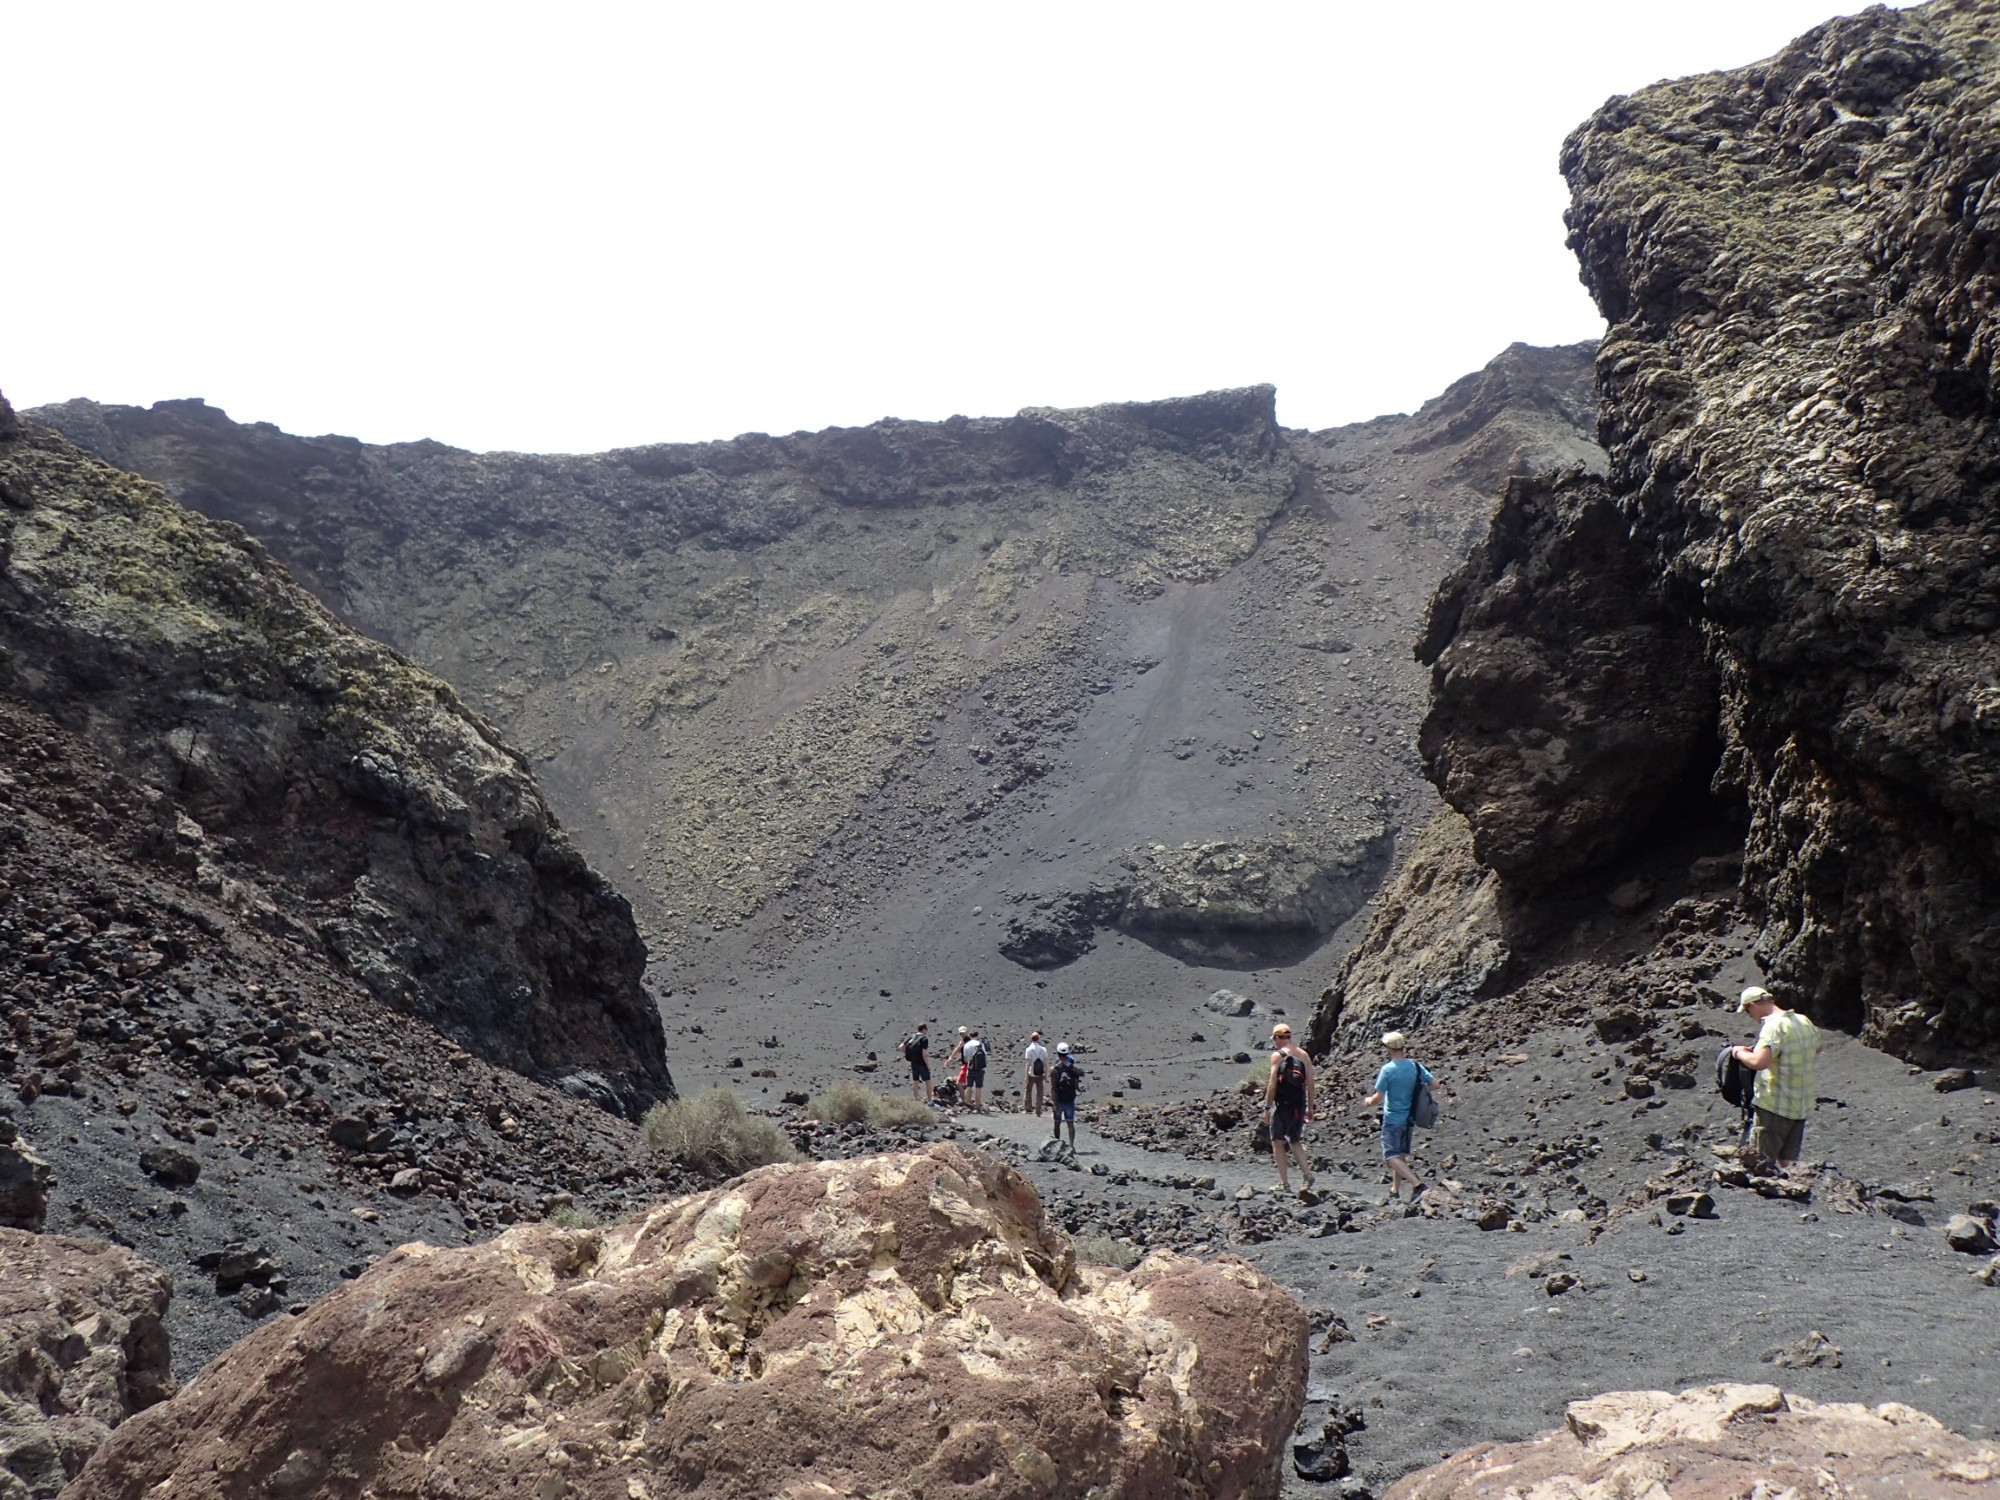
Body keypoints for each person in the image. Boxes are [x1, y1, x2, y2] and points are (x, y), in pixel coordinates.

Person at [1731, 986, 1820, 1166]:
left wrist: (1737, 1052)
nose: (1751, 1017)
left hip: (1774, 1105)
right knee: (1787, 1162)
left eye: (1748, 1011)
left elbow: (1759, 1062)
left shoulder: (1773, 1026)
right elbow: (1817, 1048)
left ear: (1753, 1006)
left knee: (1762, 1162)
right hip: (1800, 1104)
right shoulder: (1803, 1021)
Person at [1360, 1031, 1432, 1204]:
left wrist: (1369, 1102)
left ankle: (1418, 1185)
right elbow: (1434, 1084)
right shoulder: (1415, 1066)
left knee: (1391, 1156)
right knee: (1400, 1156)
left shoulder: (1388, 1069)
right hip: (1409, 1119)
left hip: (1393, 1119)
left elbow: (1379, 1097)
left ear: (1388, 1048)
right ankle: (1395, 1189)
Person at [1263, 1023, 1318, 1194]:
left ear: (1277, 1038)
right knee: (1294, 1139)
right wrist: (1310, 1107)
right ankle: (1307, 1174)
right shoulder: (1303, 1055)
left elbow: (1272, 1085)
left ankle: (1284, 1183)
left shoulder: (1277, 1056)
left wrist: (1267, 1108)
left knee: (1277, 1140)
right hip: (1298, 1103)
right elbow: (1310, 1083)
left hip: (1283, 1104)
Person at [1050, 1041, 1082, 1146]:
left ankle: (1057, 1144)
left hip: (1059, 1099)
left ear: (1058, 1054)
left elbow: (1053, 1087)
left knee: (1057, 1123)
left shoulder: (1054, 1069)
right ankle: (1071, 1145)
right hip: (1070, 1099)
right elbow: (1077, 1085)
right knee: (1070, 1123)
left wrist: (1054, 1103)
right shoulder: (1073, 1069)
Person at [902, 1022, 931, 1103]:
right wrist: (928, 1065)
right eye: (926, 1029)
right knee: (928, 1081)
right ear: (924, 1029)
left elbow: (901, 1047)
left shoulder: (912, 1036)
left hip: (913, 1062)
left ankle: (917, 1101)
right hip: (922, 1062)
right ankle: (930, 1102)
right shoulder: (924, 1038)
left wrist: (908, 1054)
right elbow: (924, 1053)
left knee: (915, 1081)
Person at [1022, 1031, 1050, 1115]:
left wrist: (1026, 1075)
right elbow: (1046, 1063)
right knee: (1040, 1092)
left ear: (1031, 1039)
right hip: (1040, 1073)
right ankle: (1038, 1109)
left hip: (1031, 1073)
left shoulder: (1029, 1049)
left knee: (1028, 1090)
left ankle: (1028, 1108)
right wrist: (1046, 1076)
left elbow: (1028, 1063)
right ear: (1038, 1039)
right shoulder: (1043, 1049)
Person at [963, 1028, 988, 1113]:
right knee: (978, 1087)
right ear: (977, 1036)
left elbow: (965, 1058)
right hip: (980, 1069)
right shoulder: (980, 1044)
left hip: (971, 1067)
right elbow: (985, 1055)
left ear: (970, 1036)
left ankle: (968, 1104)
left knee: (969, 1086)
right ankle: (977, 1106)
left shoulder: (967, 1045)